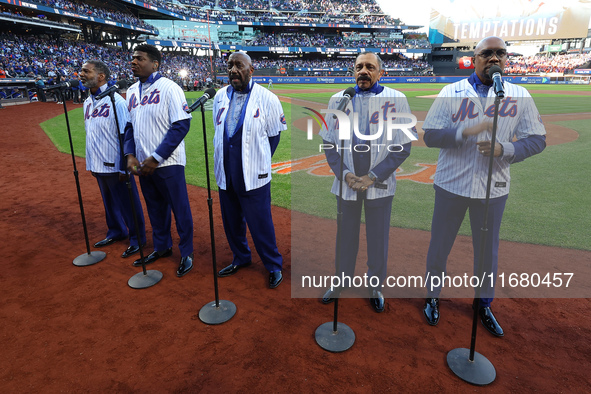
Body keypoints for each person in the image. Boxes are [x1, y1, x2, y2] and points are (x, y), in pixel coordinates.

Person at [421, 36, 546, 336]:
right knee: (439, 245)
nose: (494, 58)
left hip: (494, 188)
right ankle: (432, 296)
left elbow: (537, 139)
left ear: (507, 59)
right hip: (451, 183)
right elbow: (430, 136)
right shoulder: (452, 91)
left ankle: (483, 303)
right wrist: (466, 131)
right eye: (487, 53)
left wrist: (505, 149)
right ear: (474, 59)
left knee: (487, 251)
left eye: (500, 53)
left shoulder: (519, 94)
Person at [319, 52, 417, 312]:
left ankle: (375, 285)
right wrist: (346, 174)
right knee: (345, 236)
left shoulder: (397, 99)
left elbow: (403, 146)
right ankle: (341, 279)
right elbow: (329, 144)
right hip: (346, 183)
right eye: (359, 66)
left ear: (380, 72)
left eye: (370, 67)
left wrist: (373, 176)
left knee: (378, 237)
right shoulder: (339, 99)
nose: (364, 71)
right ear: (353, 71)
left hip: (380, 184)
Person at [212, 51, 286, 289]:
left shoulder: (268, 98)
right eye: (230, 65)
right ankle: (240, 257)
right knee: (231, 222)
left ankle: (273, 265)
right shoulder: (220, 97)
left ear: (251, 69)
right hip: (226, 171)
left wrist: (257, 159)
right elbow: (220, 129)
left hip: (254, 174)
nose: (233, 69)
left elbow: (274, 137)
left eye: (239, 65)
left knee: (260, 223)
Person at [123, 44, 194, 278]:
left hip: (169, 162)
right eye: (133, 58)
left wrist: (157, 157)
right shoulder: (132, 90)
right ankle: (162, 247)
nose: (134, 62)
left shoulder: (169, 87)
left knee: (179, 209)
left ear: (154, 64)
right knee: (155, 208)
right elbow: (130, 126)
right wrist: (130, 154)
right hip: (143, 163)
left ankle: (187, 253)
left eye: (139, 59)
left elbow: (181, 124)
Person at [80, 60, 147, 258]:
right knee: (109, 202)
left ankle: (138, 238)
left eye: (86, 71)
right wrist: (91, 162)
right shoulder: (88, 101)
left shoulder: (116, 101)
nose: (81, 74)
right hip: (98, 161)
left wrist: (123, 166)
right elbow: (90, 132)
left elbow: (125, 134)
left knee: (128, 203)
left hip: (115, 162)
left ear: (101, 76)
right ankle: (117, 231)